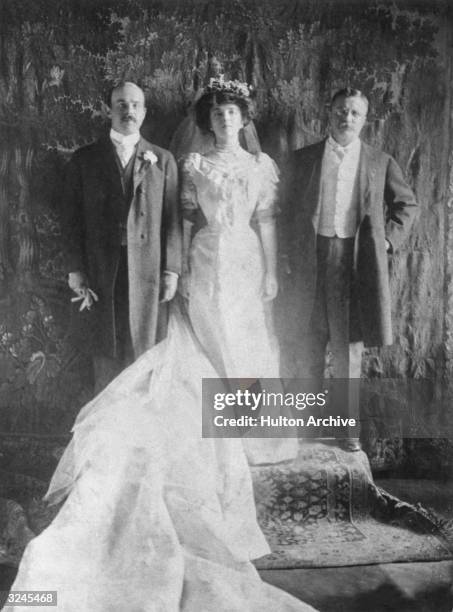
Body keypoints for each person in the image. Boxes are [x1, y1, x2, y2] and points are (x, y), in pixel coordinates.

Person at [4, 80, 315, 611]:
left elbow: (253, 220)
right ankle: (152, 434)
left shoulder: (233, 165)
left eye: (232, 115)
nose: (225, 122)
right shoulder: (178, 164)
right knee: (202, 342)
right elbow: (180, 219)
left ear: (243, 118)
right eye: (216, 116)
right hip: (197, 258)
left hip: (237, 258)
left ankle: (254, 433)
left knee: (246, 341)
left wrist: (256, 272)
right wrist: (180, 269)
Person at [283, 87, 418, 451]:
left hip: (355, 267)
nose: (347, 118)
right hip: (310, 261)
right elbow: (286, 213)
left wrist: (387, 242)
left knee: (347, 352)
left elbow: (406, 206)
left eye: (355, 113)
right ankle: (307, 430)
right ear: (328, 112)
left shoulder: (379, 161)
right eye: (341, 110)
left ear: (364, 119)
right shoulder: (303, 159)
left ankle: (346, 431)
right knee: (308, 346)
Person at [63, 81, 182, 392]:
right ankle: (108, 433)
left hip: (148, 272)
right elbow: (71, 220)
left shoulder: (163, 160)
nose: (128, 111)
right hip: (104, 271)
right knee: (107, 348)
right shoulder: (84, 160)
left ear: (143, 112)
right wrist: (76, 269)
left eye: (134, 105)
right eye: (121, 104)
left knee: (145, 348)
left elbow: (172, 219)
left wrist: (172, 270)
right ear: (109, 109)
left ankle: (143, 431)